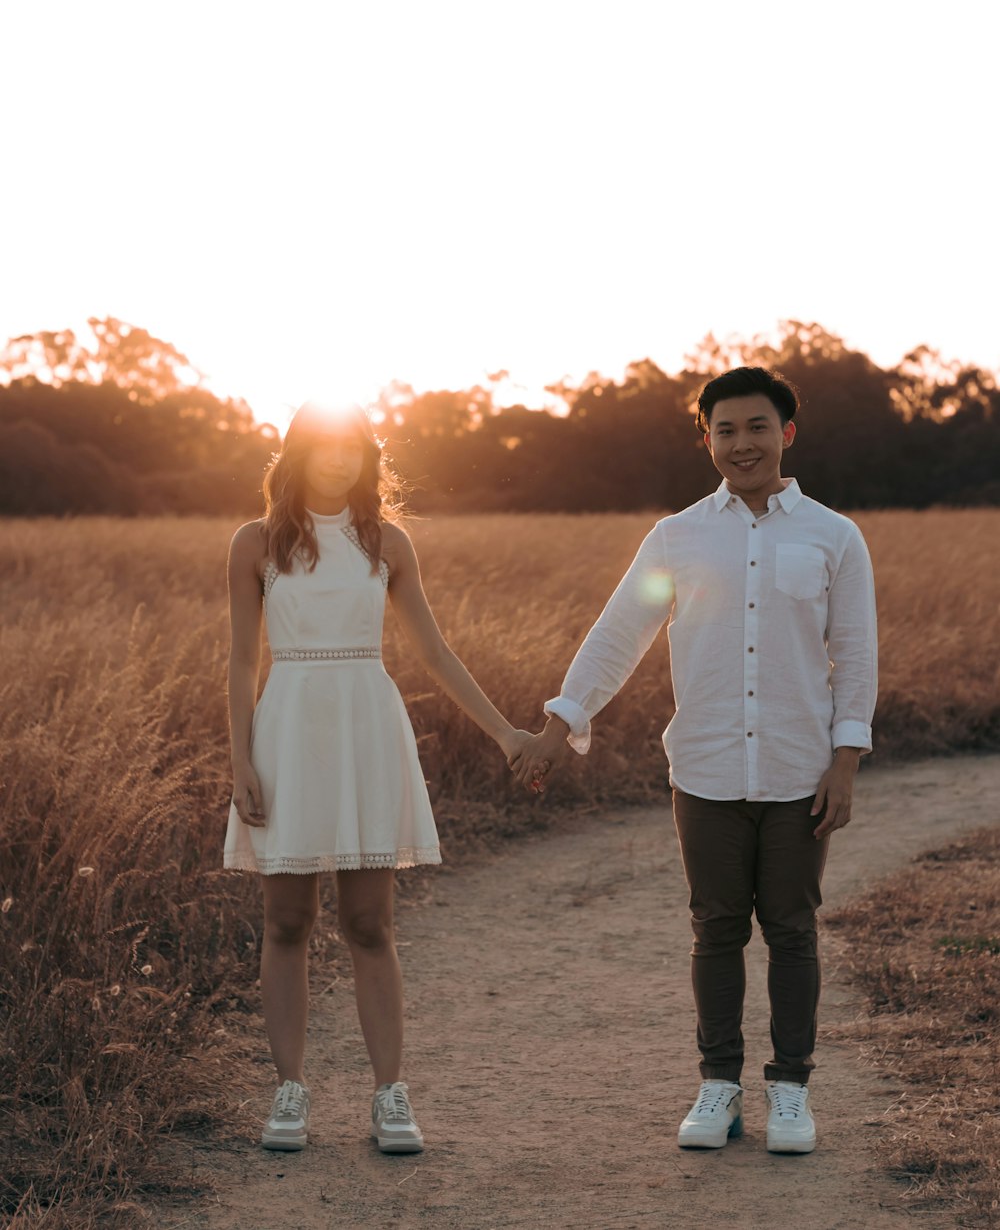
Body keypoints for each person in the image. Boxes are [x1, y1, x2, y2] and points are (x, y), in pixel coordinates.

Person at [510, 366, 877, 1155]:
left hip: (798, 771)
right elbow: (620, 633)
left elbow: (855, 652)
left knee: (791, 929)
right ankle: (718, 1085)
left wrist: (846, 759)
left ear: (787, 432)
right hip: (705, 769)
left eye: (756, 427)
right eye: (724, 430)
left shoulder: (833, 535)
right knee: (714, 927)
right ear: (705, 438)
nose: (741, 443)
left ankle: (790, 1092)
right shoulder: (678, 535)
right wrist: (559, 723)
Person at [224, 401, 533, 1154]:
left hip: (366, 722)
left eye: (352, 449)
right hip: (287, 727)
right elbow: (238, 661)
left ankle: (389, 1095)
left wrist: (505, 732)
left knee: (370, 924)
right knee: (288, 922)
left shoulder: (386, 542)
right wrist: (239, 758)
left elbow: (435, 650)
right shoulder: (256, 542)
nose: (338, 460)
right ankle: (290, 1091)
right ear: (297, 453)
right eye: (323, 447)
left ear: (367, 456)